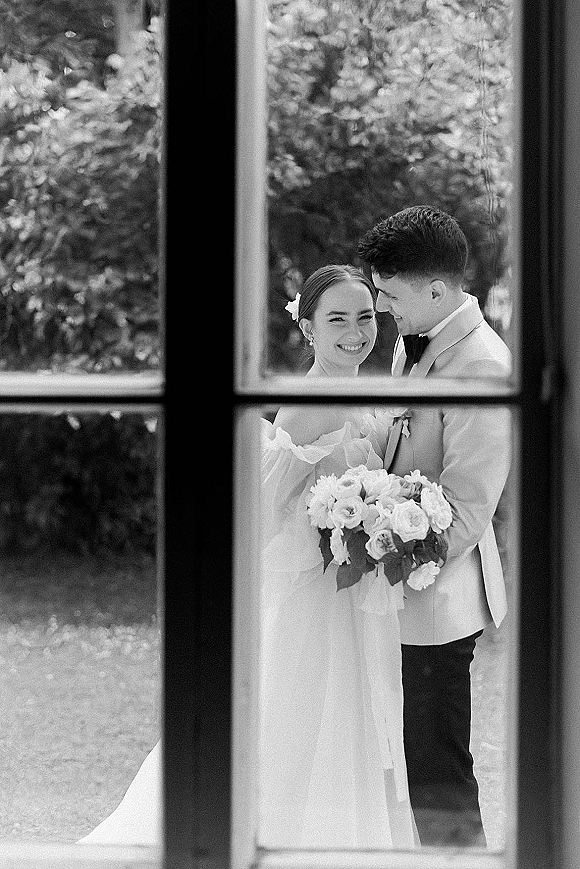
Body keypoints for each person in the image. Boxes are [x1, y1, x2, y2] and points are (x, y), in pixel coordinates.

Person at [357, 205, 512, 847]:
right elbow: (400, 439)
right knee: (410, 753)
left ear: (437, 291)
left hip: (440, 599)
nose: (386, 311)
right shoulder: (416, 342)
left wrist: (387, 546)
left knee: (438, 761)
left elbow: (469, 506)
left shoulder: (483, 364)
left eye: (391, 297)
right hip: (398, 588)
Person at [259, 264, 418, 848]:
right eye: (336, 319)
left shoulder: (365, 389)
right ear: (307, 328)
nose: (355, 332)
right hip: (316, 598)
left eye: (365, 317)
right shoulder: (307, 405)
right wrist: (343, 522)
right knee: (311, 720)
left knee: (360, 719)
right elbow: (267, 511)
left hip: (356, 592)